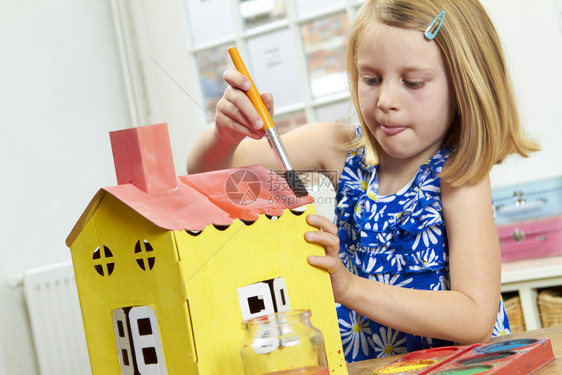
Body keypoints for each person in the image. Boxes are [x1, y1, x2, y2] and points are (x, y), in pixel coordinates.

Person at [186, 0, 539, 362]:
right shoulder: (339, 149)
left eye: (413, 82)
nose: (385, 100)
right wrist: (223, 134)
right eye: (370, 79)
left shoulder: (459, 176)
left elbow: (474, 316)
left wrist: (351, 287)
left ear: (464, 84)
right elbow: (209, 177)